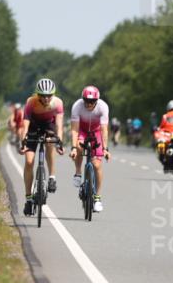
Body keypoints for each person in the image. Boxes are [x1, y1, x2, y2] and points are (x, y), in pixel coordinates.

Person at [18, 78, 64, 216]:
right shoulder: (31, 102)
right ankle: (28, 199)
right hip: (33, 126)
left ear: (53, 94)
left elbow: (59, 125)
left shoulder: (58, 103)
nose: (46, 98)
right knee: (29, 161)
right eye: (43, 95)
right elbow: (25, 125)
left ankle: (52, 177)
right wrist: (23, 142)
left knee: (50, 143)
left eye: (49, 95)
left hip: (48, 125)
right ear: (37, 94)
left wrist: (59, 141)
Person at [70, 85, 110, 212]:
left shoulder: (103, 107)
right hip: (82, 130)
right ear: (83, 99)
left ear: (96, 101)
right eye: (86, 101)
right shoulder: (77, 106)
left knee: (97, 165)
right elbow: (75, 129)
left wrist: (105, 148)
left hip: (96, 132)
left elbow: (104, 129)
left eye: (92, 102)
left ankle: (97, 198)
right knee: (79, 146)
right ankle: (78, 172)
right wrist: (73, 148)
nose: (89, 104)